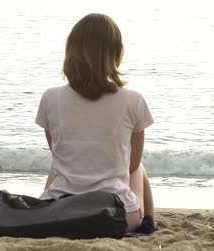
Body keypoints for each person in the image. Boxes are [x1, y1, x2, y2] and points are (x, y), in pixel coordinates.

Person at [35, 13, 156, 233]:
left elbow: (57, 152)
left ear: (71, 51)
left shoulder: (50, 98)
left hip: (60, 212)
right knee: (140, 169)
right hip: (114, 216)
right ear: (116, 53)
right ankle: (149, 223)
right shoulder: (133, 100)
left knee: (59, 164)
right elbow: (132, 165)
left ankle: (46, 203)